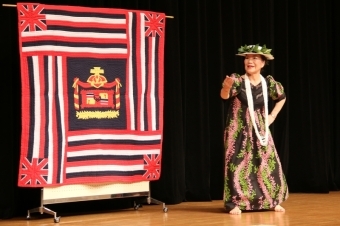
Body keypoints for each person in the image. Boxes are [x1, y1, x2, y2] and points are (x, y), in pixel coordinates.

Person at [220, 44, 288, 215]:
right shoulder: (237, 80)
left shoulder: (269, 83)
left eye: (254, 58)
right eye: (247, 58)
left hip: (260, 129)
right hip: (238, 130)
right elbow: (224, 96)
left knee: (267, 163)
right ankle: (235, 203)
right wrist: (226, 87)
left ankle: (272, 201)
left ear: (263, 63)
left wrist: (272, 116)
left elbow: (281, 98)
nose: (249, 61)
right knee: (237, 166)